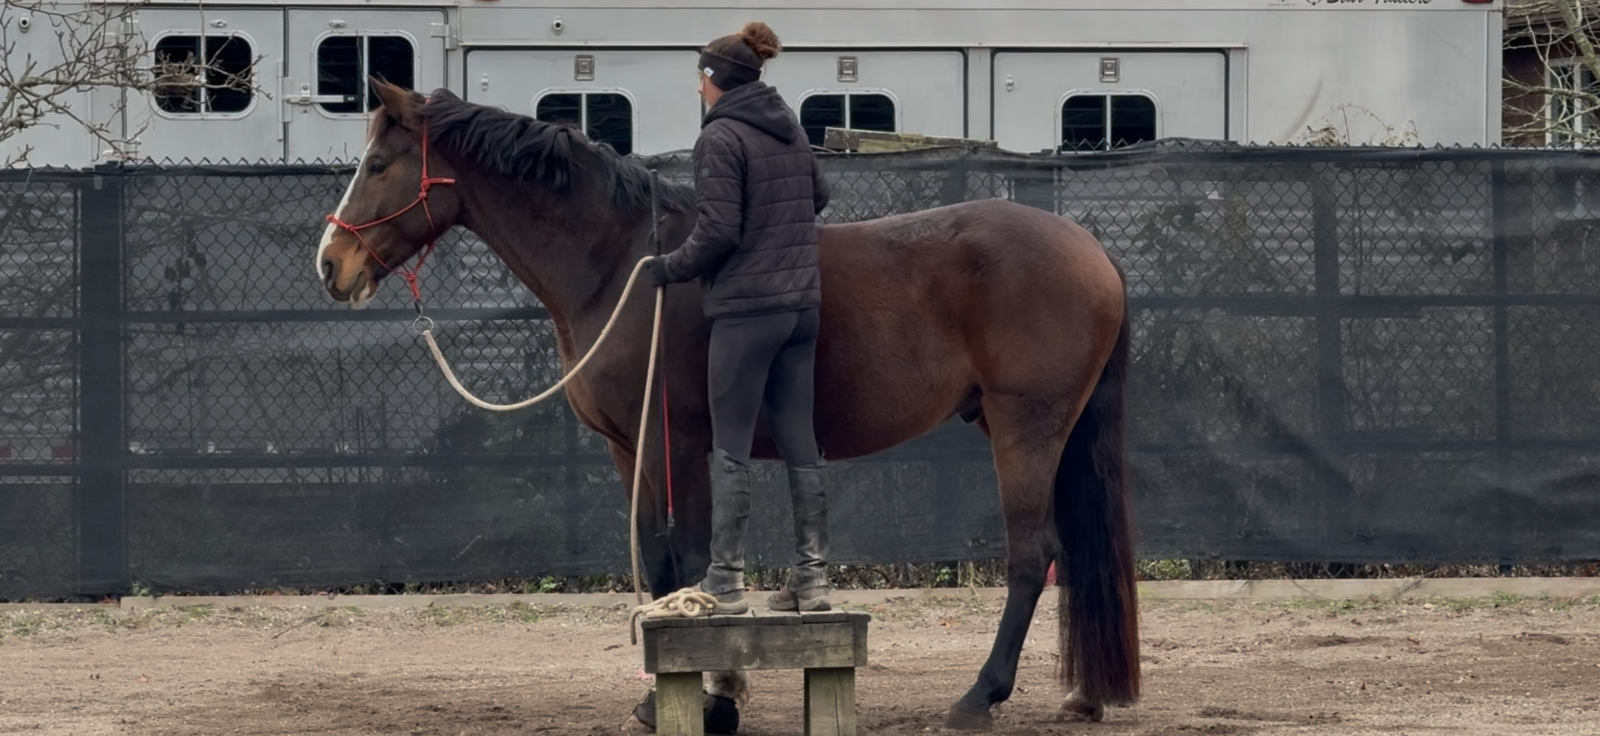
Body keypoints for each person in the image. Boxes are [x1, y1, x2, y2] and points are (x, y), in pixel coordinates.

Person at [642, 20, 832, 614]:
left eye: (700, 79)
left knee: (731, 448)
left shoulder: (720, 139)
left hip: (747, 314)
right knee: (801, 442)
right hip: (801, 309)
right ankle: (813, 580)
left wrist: (667, 268)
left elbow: (719, 230)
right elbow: (818, 195)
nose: (698, 90)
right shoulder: (788, 128)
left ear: (716, 79)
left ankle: (725, 579)